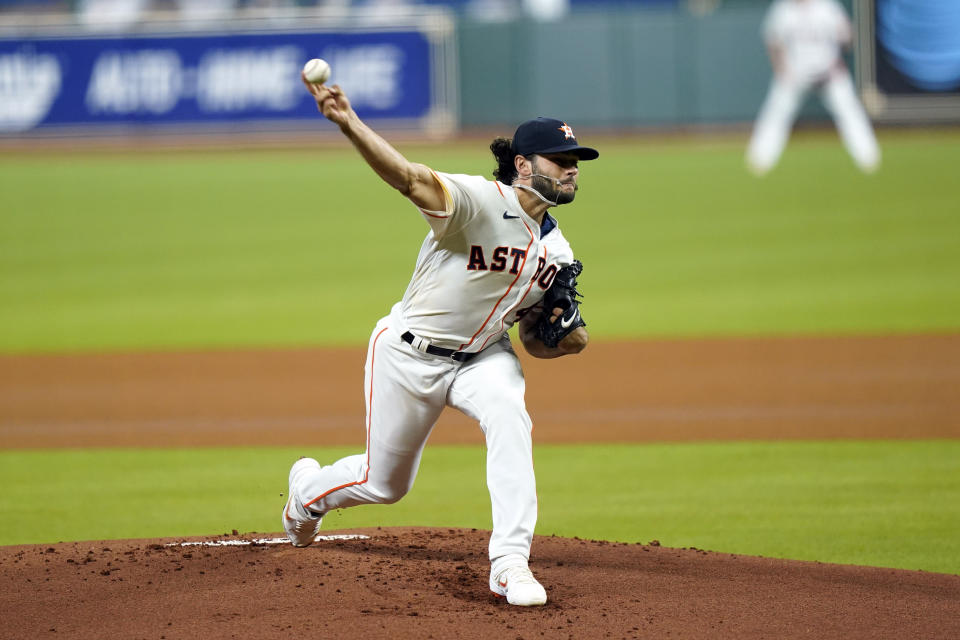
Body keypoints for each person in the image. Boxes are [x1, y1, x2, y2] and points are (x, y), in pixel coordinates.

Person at [281, 75, 597, 607]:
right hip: (408, 353)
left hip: (484, 359)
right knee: (385, 485)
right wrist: (348, 122)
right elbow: (407, 177)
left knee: (509, 413)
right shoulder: (477, 201)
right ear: (523, 165)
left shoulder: (557, 251)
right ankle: (306, 494)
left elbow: (535, 340)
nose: (571, 169)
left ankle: (509, 564)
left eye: (575, 161)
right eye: (559, 158)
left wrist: (568, 339)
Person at [746, 0, 881, 175]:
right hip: (795, 75)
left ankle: (868, 157)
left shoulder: (826, 6)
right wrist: (781, 69)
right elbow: (773, 40)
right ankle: (760, 160)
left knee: (850, 111)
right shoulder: (783, 9)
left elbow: (847, 35)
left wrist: (841, 55)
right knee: (776, 112)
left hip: (828, 73)